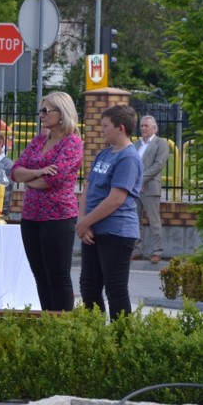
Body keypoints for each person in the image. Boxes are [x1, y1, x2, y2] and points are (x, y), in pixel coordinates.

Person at [10, 91, 83, 312]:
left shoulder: (72, 143)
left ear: (61, 114)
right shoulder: (40, 140)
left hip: (58, 217)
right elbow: (14, 171)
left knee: (57, 275)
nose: (41, 115)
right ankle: (47, 322)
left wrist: (29, 177)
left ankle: (62, 326)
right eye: (41, 110)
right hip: (31, 216)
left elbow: (53, 180)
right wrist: (39, 171)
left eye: (45, 110)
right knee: (40, 275)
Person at [76, 105, 143, 321]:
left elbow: (116, 199)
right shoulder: (104, 154)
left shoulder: (128, 157)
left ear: (120, 128)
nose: (101, 129)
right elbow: (87, 189)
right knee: (88, 285)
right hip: (93, 230)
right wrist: (83, 222)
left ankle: (121, 339)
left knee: (115, 288)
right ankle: (94, 336)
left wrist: (85, 223)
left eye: (105, 126)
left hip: (117, 232)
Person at [131, 115, 169, 263]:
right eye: (141, 126)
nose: (143, 128)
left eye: (146, 126)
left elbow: (158, 165)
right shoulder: (135, 145)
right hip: (135, 188)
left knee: (154, 220)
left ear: (154, 127)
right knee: (135, 220)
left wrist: (141, 179)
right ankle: (137, 250)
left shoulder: (161, 143)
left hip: (151, 187)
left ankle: (157, 251)